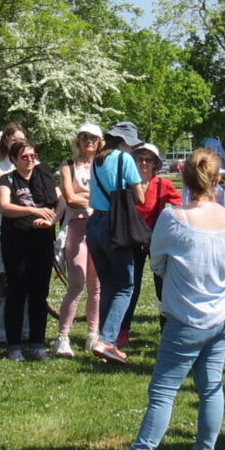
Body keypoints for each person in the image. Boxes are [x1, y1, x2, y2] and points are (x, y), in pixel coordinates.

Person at [89, 148, 225, 450]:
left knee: (163, 392)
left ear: (183, 178)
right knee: (211, 388)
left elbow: (156, 263)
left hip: (184, 318)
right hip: (219, 317)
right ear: (217, 180)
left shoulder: (174, 218)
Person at [84, 120, 146, 365]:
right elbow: (139, 198)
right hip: (116, 225)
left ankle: (104, 338)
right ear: (124, 142)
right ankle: (107, 340)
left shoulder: (97, 160)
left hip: (94, 224)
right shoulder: (124, 159)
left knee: (109, 284)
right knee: (125, 286)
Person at [0, 138, 58, 361]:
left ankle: (38, 343)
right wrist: (36, 212)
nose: (30, 160)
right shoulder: (7, 180)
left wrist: (51, 219)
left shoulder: (44, 176)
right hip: (16, 242)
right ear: (13, 159)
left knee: (40, 292)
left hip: (42, 240)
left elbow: (61, 200)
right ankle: (14, 345)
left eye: (33, 155)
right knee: (17, 291)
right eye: (24, 157)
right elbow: (4, 206)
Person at [53, 123, 104, 357]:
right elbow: (70, 198)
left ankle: (93, 334)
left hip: (100, 227)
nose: (88, 141)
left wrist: (85, 197)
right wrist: (92, 199)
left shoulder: (103, 166)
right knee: (76, 282)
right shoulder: (68, 166)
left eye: (93, 138)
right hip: (77, 227)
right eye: (84, 137)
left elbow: (110, 197)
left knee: (97, 286)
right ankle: (63, 336)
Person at [0, 124, 28, 344]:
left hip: (29, 228)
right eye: (14, 139)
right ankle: (2, 332)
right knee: (3, 277)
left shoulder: (31, 164)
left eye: (22, 138)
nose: (19, 142)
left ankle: (27, 330)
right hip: (6, 225)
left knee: (28, 278)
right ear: (6, 142)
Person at [132, 142, 182, 321]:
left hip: (157, 238)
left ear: (155, 163)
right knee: (131, 284)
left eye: (148, 160)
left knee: (162, 282)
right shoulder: (128, 184)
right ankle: (123, 328)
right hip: (133, 238)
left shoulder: (164, 184)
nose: (144, 163)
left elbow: (181, 206)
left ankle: (165, 323)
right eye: (140, 159)